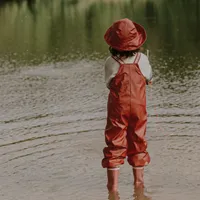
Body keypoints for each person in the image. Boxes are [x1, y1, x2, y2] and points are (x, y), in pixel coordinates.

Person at [102, 18, 153, 193]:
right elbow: (148, 77)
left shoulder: (111, 61)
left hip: (118, 108)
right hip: (139, 107)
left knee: (115, 141)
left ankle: (113, 188)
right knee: (138, 139)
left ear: (113, 44)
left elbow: (109, 83)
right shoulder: (143, 58)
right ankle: (138, 185)